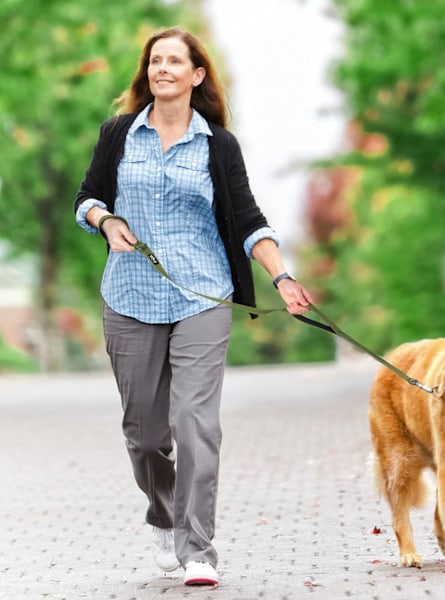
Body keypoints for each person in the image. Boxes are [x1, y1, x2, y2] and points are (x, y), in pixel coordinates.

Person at [74, 26, 313, 587]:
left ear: (196, 75)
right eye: (155, 61)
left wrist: (282, 277)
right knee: (146, 433)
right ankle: (162, 511)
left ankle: (198, 547)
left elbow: (251, 220)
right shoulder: (117, 135)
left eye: (174, 61)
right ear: (148, 73)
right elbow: (87, 198)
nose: (162, 69)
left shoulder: (218, 146)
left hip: (201, 297)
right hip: (130, 297)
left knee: (194, 422)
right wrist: (106, 221)